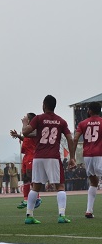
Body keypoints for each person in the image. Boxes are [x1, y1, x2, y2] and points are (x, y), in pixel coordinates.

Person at [21, 95, 76, 224]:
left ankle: (29, 216)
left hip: (39, 157)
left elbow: (26, 132)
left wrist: (24, 123)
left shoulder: (38, 118)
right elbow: (70, 138)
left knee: (35, 187)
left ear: (44, 105)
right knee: (60, 186)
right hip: (53, 157)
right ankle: (61, 215)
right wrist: (72, 157)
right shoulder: (61, 121)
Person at [73, 101, 102, 218]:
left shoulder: (83, 123)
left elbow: (75, 139)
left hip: (88, 156)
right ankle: (89, 210)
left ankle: (89, 210)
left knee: (93, 182)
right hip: (100, 154)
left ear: (89, 110)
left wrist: (72, 156)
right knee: (94, 182)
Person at [10, 113, 42, 209]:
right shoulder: (28, 130)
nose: (24, 117)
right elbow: (26, 137)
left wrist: (23, 125)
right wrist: (18, 136)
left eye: (26, 116)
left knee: (30, 176)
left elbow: (27, 134)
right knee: (25, 178)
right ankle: (25, 199)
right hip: (26, 156)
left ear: (29, 120)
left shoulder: (34, 129)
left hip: (32, 156)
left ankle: (38, 197)